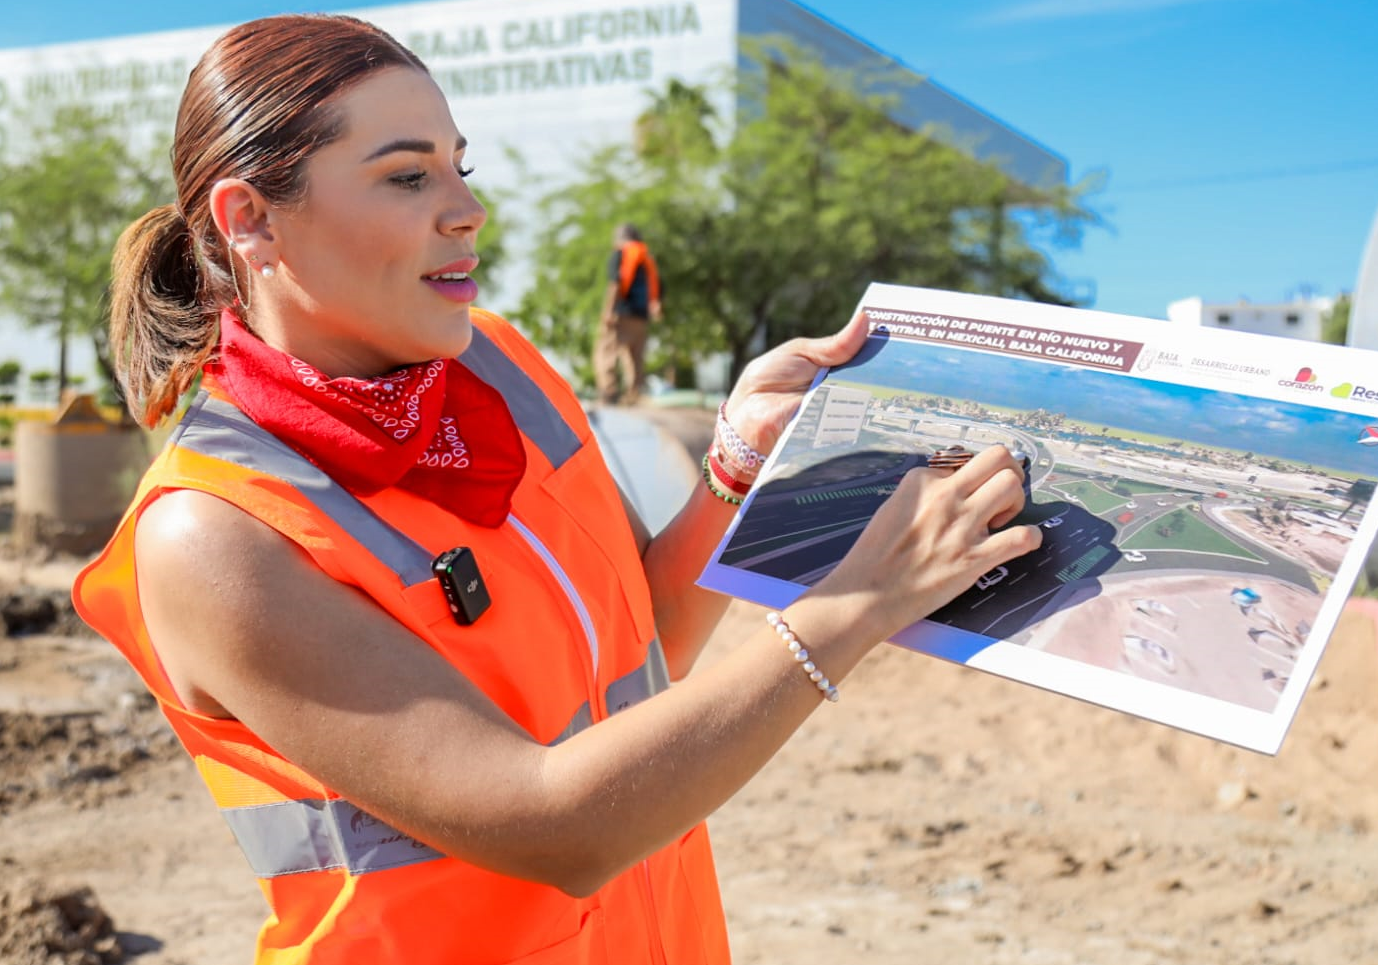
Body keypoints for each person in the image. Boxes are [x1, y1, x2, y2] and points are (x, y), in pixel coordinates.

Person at [72, 14, 1041, 964]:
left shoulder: (498, 362)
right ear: (250, 219)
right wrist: (856, 603)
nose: (467, 209)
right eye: (408, 176)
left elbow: (646, 642)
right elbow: (553, 825)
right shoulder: (214, 532)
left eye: (462, 167)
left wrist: (736, 466)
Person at [595, 222, 661, 404]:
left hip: (622, 313)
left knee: (606, 350)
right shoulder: (646, 258)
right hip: (642, 316)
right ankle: (634, 393)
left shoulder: (621, 254)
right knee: (634, 356)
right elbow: (658, 287)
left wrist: (608, 311)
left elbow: (615, 284)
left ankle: (608, 391)